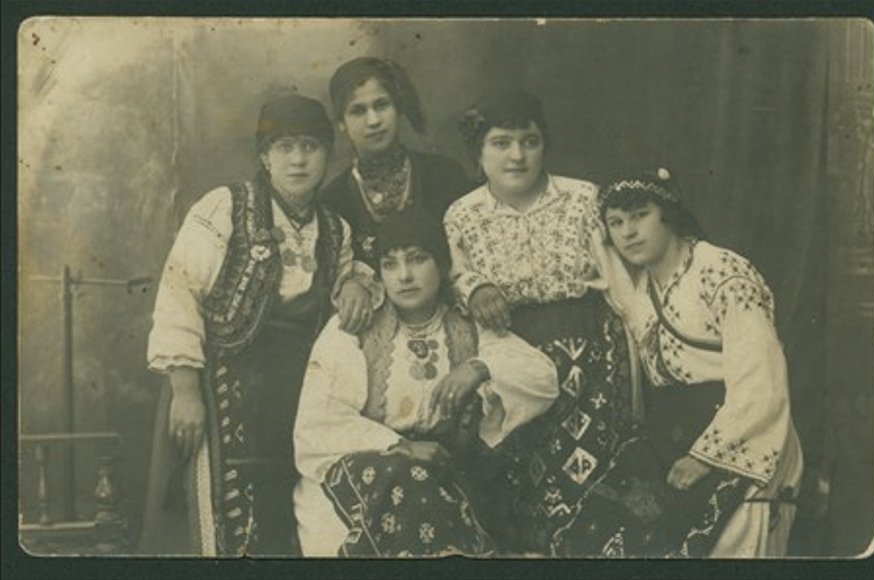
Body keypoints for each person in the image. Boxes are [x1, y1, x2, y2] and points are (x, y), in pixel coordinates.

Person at [141, 94, 377, 556]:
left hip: (295, 396)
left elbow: (354, 275)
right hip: (219, 384)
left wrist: (355, 283)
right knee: (216, 515)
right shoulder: (225, 207)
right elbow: (179, 291)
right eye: (284, 147)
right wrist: (186, 391)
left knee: (280, 511)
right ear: (265, 157)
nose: (298, 160)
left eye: (310, 147)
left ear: (328, 156)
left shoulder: (335, 229)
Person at [292, 207, 559, 557]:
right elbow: (317, 424)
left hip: (448, 474)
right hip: (362, 480)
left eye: (417, 260)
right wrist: (400, 446)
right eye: (390, 264)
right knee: (408, 477)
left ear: (443, 266)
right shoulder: (354, 329)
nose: (404, 276)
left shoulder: (466, 324)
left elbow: (542, 377)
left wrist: (478, 367)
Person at [444, 90, 642, 555]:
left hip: (589, 349)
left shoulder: (581, 199)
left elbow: (617, 279)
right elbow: (453, 275)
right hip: (512, 350)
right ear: (478, 152)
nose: (517, 155)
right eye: (501, 142)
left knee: (592, 483)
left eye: (529, 141)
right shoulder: (462, 214)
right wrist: (476, 287)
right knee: (522, 488)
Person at [592, 167, 803, 557]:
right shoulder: (640, 287)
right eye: (615, 222)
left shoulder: (721, 272)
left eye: (640, 215)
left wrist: (705, 457)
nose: (628, 233)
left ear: (668, 213)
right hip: (677, 437)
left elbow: (762, 380)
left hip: (743, 438)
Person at [321, 57, 473, 268]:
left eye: (381, 105)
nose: (373, 121)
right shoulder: (333, 201)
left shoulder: (445, 176)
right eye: (358, 111)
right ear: (341, 124)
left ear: (398, 108)